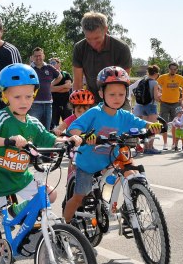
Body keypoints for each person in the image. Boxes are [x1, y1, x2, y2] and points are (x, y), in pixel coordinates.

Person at [0, 64, 81, 264]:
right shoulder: (2, 118)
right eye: (17, 97)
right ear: (5, 97)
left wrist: (68, 139)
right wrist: (9, 140)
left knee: (49, 194)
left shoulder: (33, 123)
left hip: (20, 178)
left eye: (28, 96)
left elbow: (50, 139)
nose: (24, 102)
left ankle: (19, 212)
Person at [63, 66, 161, 223]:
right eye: (112, 94)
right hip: (88, 164)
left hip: (111, 160)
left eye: (121, 94)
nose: (117, 98)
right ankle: (63, 227)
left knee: (130, 171)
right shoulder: (94, 112)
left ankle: (130, 207)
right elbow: (73, 128)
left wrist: (152, 126)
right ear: (102, 94)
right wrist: (83, 137)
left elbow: (142, 123)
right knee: (79, 197)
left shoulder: (124, 115)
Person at [71, 12, 132, 108]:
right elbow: (78, 82)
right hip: (91, 101)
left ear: (106, 30)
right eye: (88, 39)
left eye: (97, 39)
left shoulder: (121, 48)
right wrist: (78, 106)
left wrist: (111, 105)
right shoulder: (79, 48)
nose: (93, 44)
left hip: (117, 100)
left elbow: (123, 81)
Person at [28, 47, 62, 129]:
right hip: (34, 103)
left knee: (46, 129)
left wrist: (51, 85)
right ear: (32, 57)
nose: (38, 58)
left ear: (43, 56)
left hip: (48, 103)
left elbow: (59, 76)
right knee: (33, 128)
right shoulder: (29, 69)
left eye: (39, 55)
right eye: (36, 56)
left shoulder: (49, 67)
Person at [156, 62, 183, 151]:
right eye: (171, 69)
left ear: (177, 70)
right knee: (163, 123)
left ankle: (174, 144)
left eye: (174, 69)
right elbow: (155, 85)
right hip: (164, 103)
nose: (173, 70)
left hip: (176, 103)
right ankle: (165, 144)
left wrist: (182, 99)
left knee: (175, 125)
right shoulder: (163, 77)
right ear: (168, 69)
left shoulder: (180, 78)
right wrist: (158, 95)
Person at [133, 65, 162, 154]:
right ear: (156, 74)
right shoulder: (154, 82)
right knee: (153, 127)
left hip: (138, 106)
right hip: (150, 106)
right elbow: (156, 98)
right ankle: (149, 148)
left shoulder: (141, 81)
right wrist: (161, 97)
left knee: (141, 127)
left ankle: (139, 146)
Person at [49, 57, 73, 130]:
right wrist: (63, 87)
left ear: (59, 64)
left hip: (66, 102)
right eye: (50, 63)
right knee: (54, 126)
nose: (51, 65)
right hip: (54, 103)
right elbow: (49, 89)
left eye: (53, 63)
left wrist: (54, 89)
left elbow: (68, 87)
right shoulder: (49, 76)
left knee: (69, 124)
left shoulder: (65, 74)